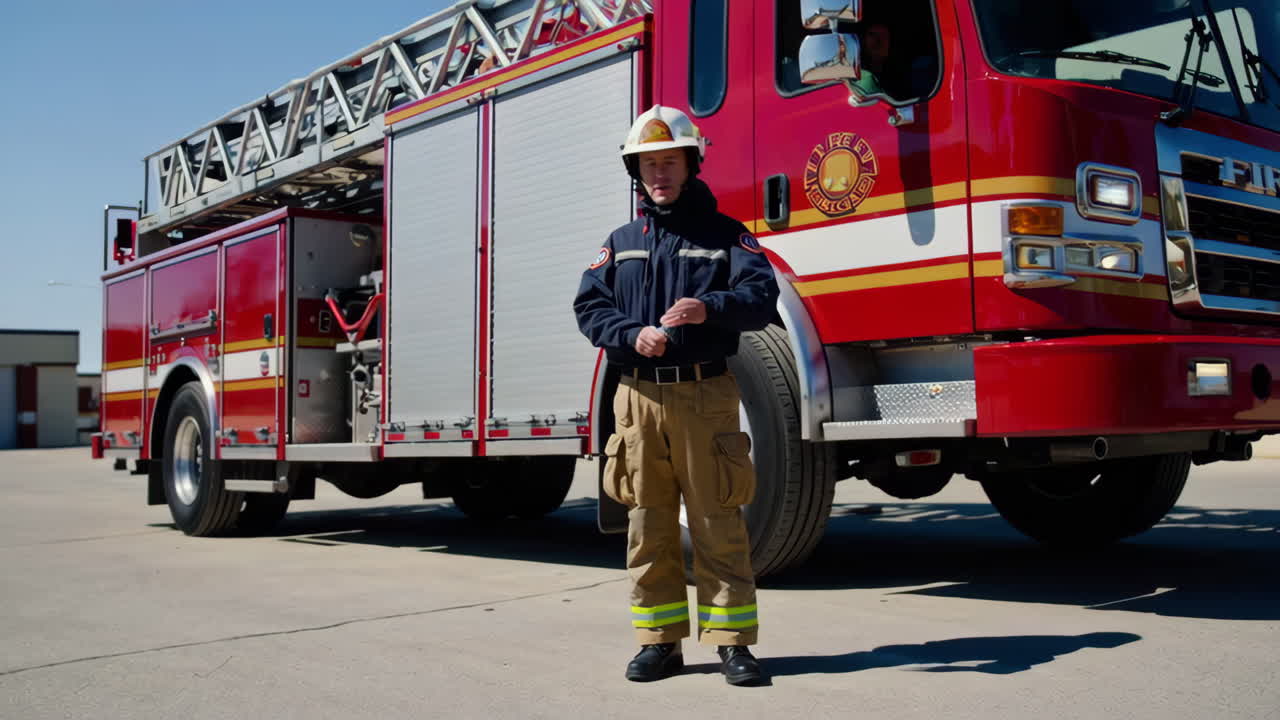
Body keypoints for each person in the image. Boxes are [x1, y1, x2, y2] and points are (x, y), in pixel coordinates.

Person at [573, 105, 779, 686]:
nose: (658, 173)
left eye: (669, 162)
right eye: (647, 164)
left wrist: (708, 307)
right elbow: (590, 308)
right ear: (635, 172)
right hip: (637, 399)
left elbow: (761, 296)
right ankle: (658, 644)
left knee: (717, 521)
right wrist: (629, 333)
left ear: (691, 165)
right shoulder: (621, 242)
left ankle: (732, 643)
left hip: (704, 393)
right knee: (648, 523)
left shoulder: (725, 236)